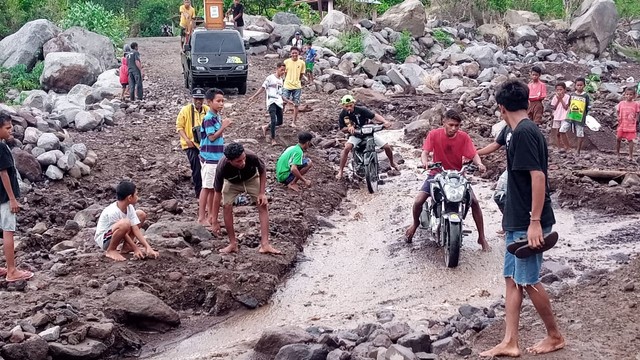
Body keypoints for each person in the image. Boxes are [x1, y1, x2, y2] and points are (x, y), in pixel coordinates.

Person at [480, 79, 564, 358]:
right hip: (516, 218)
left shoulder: (527, 132)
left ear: (501, 107)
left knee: (528, 280)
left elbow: (538, 176)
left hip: (530, 219)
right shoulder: (512, 130)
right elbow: (494, 145)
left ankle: (554, 336)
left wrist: (535, 221)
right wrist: (471, 154)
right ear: (527, 102)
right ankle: (510, 341)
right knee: (511, 279)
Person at [404, 110, 489, 251]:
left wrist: (479, 164)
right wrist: (425, 162)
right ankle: (415, 224)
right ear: (444, 122)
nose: (454, 128)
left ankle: (482, 237)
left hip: (457, 175)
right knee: (419, 200)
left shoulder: (464, 137)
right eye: (451, 125)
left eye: (457, 125)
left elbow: (473, 154)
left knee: (474, 202)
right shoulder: (434, 134)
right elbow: (425, 152)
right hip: (437, 174)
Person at [210, 143, 281, 255]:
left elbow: (262, 170)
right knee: (226, 206)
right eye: (238, 161)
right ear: (230, 161)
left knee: (262, 204)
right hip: (232, 183)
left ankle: (265, 244)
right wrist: (214, 220)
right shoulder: (222, 166)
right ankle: (233, 244)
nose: (243, 162)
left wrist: (262, 193)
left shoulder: (251, 156)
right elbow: (217, 192)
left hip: (251, 179)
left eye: (243, 159)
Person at [0, 112, 34, 282]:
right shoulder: (1, 148)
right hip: (4, 197)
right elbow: (4, 173)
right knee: (8, 230)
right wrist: (12, 198)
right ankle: (12, 271)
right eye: (7, 128)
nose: (11, 130)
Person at [336, 94, 398, 180]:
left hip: (368, 133)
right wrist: (349, 128)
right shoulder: (343, 114)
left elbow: (374, 116)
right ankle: (341, 171)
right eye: (346, 106)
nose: (349, 108)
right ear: (343, 106)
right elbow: (342, 128)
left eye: (350, 105)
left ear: (353, 104)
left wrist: (385, 122)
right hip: (356, 135)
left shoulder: (361, 110)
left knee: (387, 147)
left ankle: (392, 162)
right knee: (346, 148)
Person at [94, 181, 159, 262]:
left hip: (118, 232)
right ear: (129, 198)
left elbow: (135, 228)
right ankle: (111, 250)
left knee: (140, 215)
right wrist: (136, 248)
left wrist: (147, 246)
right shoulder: (113, 211)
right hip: (104, 240)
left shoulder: (129, 207)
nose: (137, 197)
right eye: (136, 194)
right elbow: (123, 232)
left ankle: (126, 247)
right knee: (125, 223)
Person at [198, 88, 231, 226]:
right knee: (206, 187)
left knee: (213, 188)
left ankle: (211, 216)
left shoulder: (216, 117)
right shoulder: (208, 118)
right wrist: (223, 127)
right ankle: (201, 217)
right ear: (210, 102)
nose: (221, 104)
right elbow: (211, 137)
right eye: (218, 101)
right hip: (209, 158)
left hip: (216, 157)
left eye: (222, 101)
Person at [176, 88, 209, 198]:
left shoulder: (207, 110)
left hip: (205, 144)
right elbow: (179, 127)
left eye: (200, 98)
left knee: (207, 167)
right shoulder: (185, 110)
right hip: (191, 144)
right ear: (193, 99)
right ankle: (199, 192)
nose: (198, 101)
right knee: (196, 167)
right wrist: (187, 140)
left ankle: (207, 189)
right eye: (196, 99)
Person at [247, 62, 291, 145]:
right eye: (282, 70)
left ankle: (266, 126)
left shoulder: (281, 80)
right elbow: (263, 87)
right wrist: (254, 96)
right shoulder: (270, 78)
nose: (283, 72)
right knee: (273, 120)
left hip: (278, 102)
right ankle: (273, 139)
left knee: (280, 122)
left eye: (284, 71)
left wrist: (288, 101)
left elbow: (280, 93)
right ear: (277, 68)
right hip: (271, 101)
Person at [559, 77, 590, 155]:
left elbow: (587, 108)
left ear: (584, 86)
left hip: (580, 118)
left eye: (581, 85)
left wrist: (584, 116)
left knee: (580, 134)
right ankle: (567, 146)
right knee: (562, 130)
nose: (579, 87)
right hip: (570, 116)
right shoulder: (572, 95)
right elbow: (569, 105)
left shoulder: (586, 96)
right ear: (575, 86)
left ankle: (578, 150)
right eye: (578, 85)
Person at [283, 47, 306, 127]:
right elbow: (285, 73)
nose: (294, 54)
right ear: (290, 54)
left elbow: (301, 74)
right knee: (283, 102)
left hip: (297, 86)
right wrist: (287, 80)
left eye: (296, 53)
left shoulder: (302, 63)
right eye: (293, 53)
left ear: (298, 53)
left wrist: (297, 80)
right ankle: (280, 120)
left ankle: (293, 122)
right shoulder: (286, 62)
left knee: (296, 104)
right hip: (287, 85)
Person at [616, 86, 640, 160]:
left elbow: (638, 112)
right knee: (618, 138)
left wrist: (636, 120)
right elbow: (617, 111)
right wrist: (618, 117)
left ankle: (630, 155)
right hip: (622, 124)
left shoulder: (635, 104)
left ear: (634, 95)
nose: (628, 96)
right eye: (627, 94)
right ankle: (618, 154)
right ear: (624, 95)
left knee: (630, 140)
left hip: (630, 125)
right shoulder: (621, 103)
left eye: (631, 94)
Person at [550, 82, 570, 149]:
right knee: (557, 132)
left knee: (563, 131)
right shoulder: (555, 97)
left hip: (564, 116)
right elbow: (554, 107)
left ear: (564, 90)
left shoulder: (567, 97)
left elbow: (566, 107)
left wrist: (561, 99)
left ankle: (567, 146)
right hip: (557, 115)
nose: (559, 91)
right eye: (557, 90)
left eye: (561, 89)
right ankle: (559, 146)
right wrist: (558, 100)